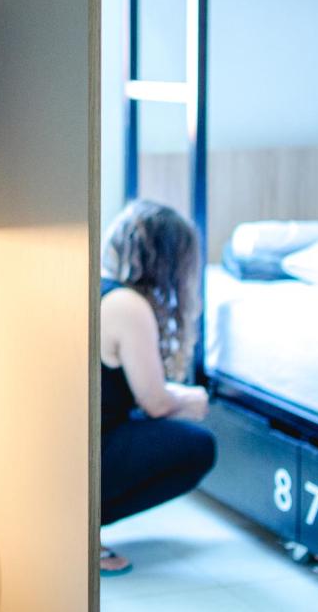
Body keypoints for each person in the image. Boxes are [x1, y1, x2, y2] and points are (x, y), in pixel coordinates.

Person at [99, 200, 216, 575]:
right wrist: (191, 399)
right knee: (199, 447)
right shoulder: (128, 306)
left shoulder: (95, 285)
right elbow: (155, 403)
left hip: (54, 450)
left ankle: (75, 526)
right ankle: (83, 531)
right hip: (86, 452)